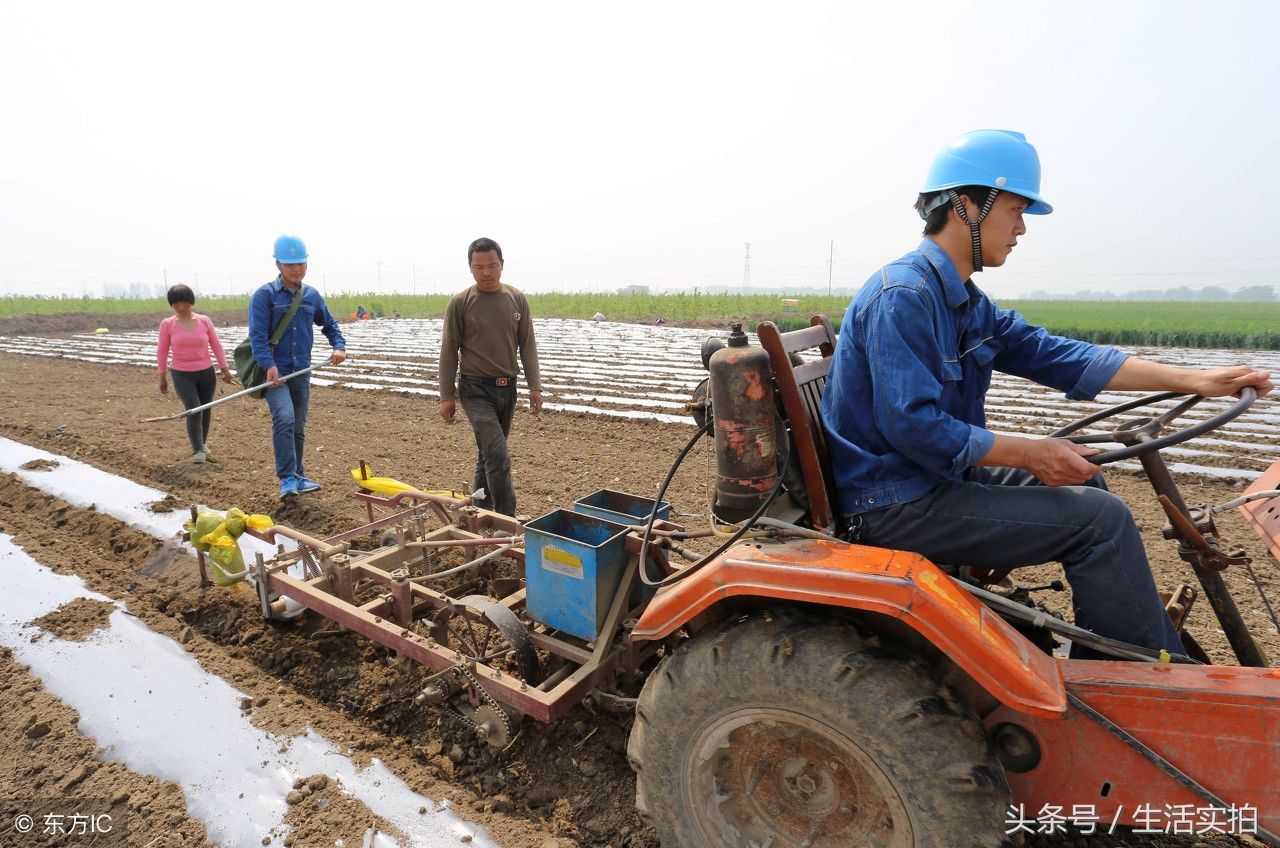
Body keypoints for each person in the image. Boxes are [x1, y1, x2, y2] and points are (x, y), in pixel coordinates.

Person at [820, 129, 1272, 658]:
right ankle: (1124, 678)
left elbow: (1053, 354)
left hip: (928, 478)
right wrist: (1032, 451)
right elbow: (912, 425)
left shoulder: (961, 299)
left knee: (1091, 477)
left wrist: (1193, 380)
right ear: (967, 206)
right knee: (1101, 523)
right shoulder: (906, 295)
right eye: (1015, 210)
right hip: (895, 500)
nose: (1021, 229)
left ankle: (1123, 644)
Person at [438, 237, 543, 516]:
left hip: (507, 388)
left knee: (488, 454)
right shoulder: (460, 303)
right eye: (479, 266)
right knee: (497, 453)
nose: (486, 272)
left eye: (492, 265)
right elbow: (449, 350)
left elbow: (527, 344)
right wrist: (447, 396)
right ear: (470, 268)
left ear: (502, 265)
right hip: (475, 389)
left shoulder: (516, 298)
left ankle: (479, 510)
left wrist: (536, 387)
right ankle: (506, 519)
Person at [248, 234, 347, 499]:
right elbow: (257, 337)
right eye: (290, 264)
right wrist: (268, 364)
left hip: (301, 370)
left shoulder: (311, 296)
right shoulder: (264, 296)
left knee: (298, 424)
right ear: (278, 264)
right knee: (284, 417)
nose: (296, 269)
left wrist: (338, 346)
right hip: (275, 372)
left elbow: (330, 324)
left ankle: (299, 475)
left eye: (300, 263)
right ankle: (287, 479)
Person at [157, 284, 235, 463]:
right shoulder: (167, 324)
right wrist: (162, 376)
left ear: (191, 302)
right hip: (182, 374)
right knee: (193, 409)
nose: (181, 307)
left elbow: (216, 345)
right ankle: (198, 450)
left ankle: (202, 444)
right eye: (176, 304)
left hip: (206, 373)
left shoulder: (204, 321)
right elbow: (162, 350)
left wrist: (225, 369)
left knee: (205, 408)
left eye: (184, 303)